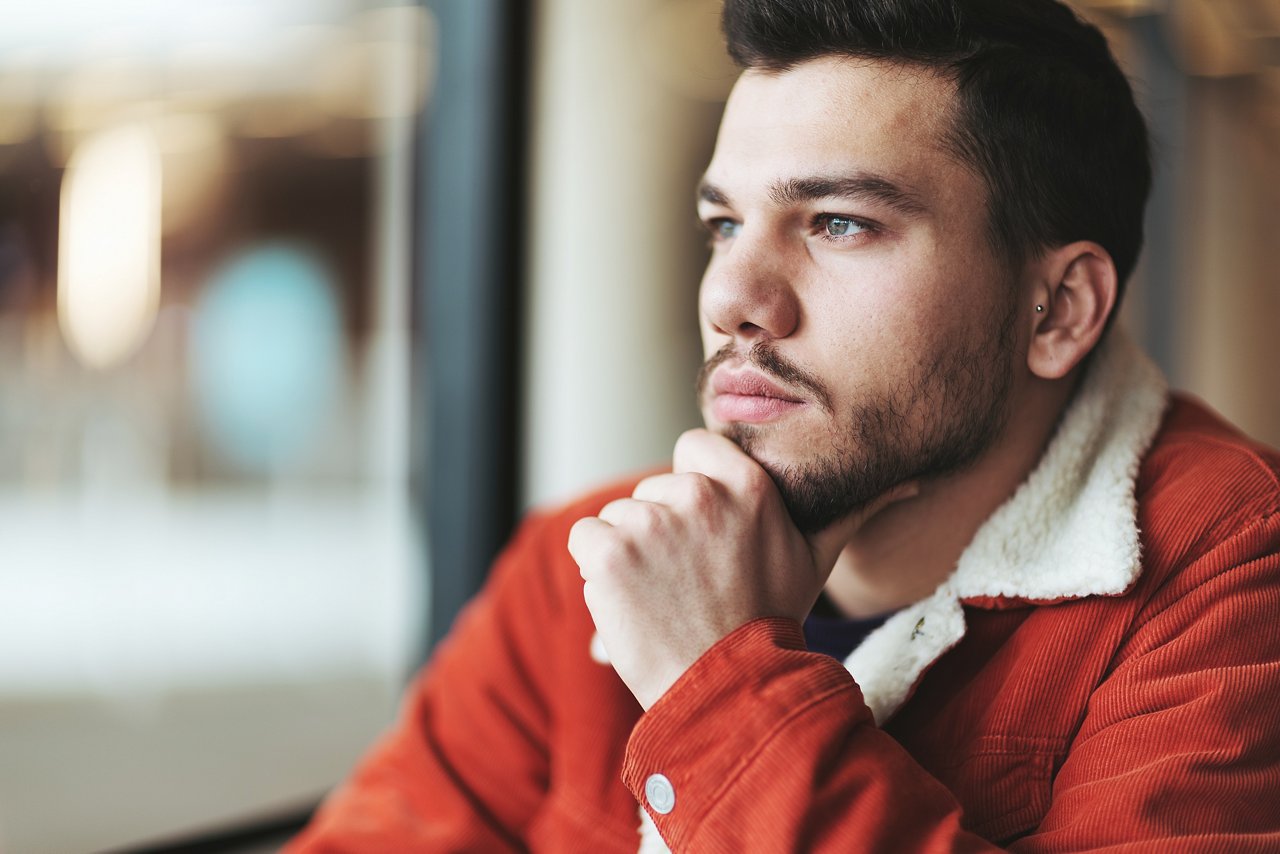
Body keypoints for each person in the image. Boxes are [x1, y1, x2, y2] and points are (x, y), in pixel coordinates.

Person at [288, 0, 1280, 850]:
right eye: (724, 224)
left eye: (838, 222)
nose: (731, 295)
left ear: (1057, 309)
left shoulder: (1232, 566)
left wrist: (712, 679)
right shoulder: (582, 563)